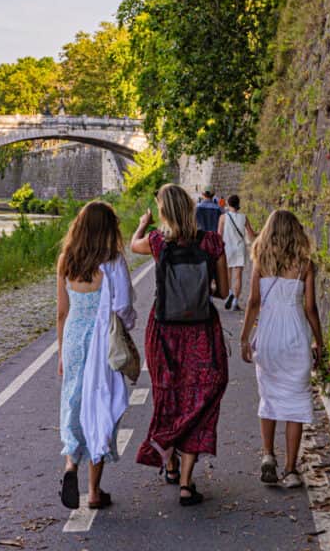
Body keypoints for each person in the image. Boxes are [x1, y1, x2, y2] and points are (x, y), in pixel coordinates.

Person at [130, 184, 229, 506]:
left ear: (163, 212)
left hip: (164, 333)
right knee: (200, 399)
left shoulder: (158, 242)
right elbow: (222, 291)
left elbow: (133, 246)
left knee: (168, 396)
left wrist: (142, 224)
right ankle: (187, 483)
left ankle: (168, 460)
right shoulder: (212, 243)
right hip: (202, 331)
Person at [57, 200, 137, 511]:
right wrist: (128, 327)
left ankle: (69, 465)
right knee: (101, 405)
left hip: (75, 338)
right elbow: (124, 307)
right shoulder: (113, 263)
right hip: (103, 343)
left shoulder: (67, 260)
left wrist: (62, 353)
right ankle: (93, 491)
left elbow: (62, 313)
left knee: (74, 403)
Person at [240, 210, 324, 488]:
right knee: (296, 404)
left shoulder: (261, 260)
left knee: (270, 397)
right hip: (296, 335)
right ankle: (290, 470)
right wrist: (319, 340)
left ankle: (267, 456)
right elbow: (310, 308)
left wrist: (244, 337)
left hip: (269, 335)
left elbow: (253, 302)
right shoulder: (305, 264)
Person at [218, 194, 256, 311]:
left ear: (228, 204)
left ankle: (229, 294)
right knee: (238, 276)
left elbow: (219, 235)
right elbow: (251, 235)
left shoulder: (223, 217)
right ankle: (235, 301)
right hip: (240, 248)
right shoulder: (244, 217)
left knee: (228, 274)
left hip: (227, 248)